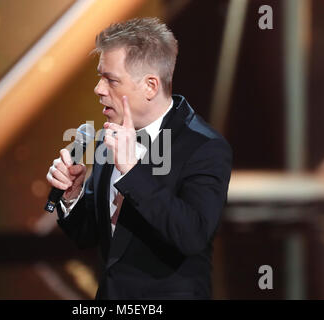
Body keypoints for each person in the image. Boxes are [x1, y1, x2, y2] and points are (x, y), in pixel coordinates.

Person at [46, 17, 232, 299]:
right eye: (100, 76)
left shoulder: (204, 146)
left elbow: (192, 235)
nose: (98, 89)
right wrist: (73, 197)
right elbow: (91, 236)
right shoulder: (110, 136)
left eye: (111, 79)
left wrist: (132, 170)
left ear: (150, 86)